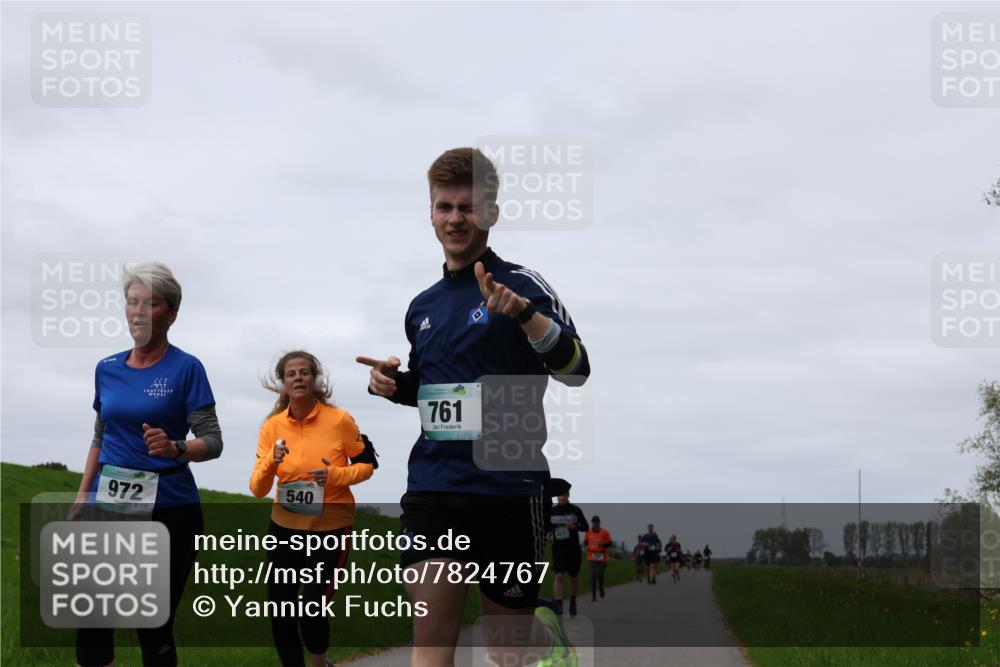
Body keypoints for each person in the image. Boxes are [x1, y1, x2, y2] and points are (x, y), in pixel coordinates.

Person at [357, 148, 590, 667]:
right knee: (432, 645)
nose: (455, 218)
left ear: (490, 214)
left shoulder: (524, 285)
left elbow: (576, 369)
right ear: (431, 213)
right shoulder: (423, 306)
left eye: (467, 207)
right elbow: (437, 392)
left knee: (507, 652)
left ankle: (545, 637)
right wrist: (394, 386)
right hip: (435, 487)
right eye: (445, 207)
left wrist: (526, 317)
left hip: (509, 487)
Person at [71, 262, 224, 667]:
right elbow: (100, 435)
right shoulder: (107, 368)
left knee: (152, 625)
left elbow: (213, 442)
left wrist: (176, 447)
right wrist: (83, 495)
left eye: (150, 303)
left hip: (169, 511)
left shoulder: (186, 368)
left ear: (171, 314)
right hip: (110, 509)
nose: (138, 311)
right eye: (132, 301)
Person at [250, 351, 376, 667]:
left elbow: (367, 466)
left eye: (304, 372)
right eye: (291, 374)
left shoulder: (340, 420)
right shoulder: (272, 427)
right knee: (280, 607)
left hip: (331, 526)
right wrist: (271, 462)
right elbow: (257, 488)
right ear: (283, 384)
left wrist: (334, 475)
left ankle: (319, 661)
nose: (298, 378)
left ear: (315, 379)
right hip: (284, 527)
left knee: (311, 604)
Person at [547, 486, 588, 618]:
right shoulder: (552, 511)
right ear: (557, 497)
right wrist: (548, 533)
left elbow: (586, 526)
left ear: (568, 496)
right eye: (559, 496)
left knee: (573, 577)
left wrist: (575, 526)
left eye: (564, 495)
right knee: (558, 575)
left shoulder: (575, 510)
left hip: (573, 548)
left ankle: (573, 601)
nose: (562, 498)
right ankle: (559, 604)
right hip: (559, 548)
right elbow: (546, 527)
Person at [584, 516, 613, 602]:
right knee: (593, 576)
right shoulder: (588, 532)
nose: (595, 524)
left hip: (602, 556)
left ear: (599, 523)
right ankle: (593, 595)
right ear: (592, 523)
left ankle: (600, 587)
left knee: (600, 575)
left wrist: (603, 545)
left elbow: (610, 543)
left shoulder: (604, 532)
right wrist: (587, 546)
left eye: (597, 522)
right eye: (593, 522)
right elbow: (586, 542)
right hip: (591, 556)